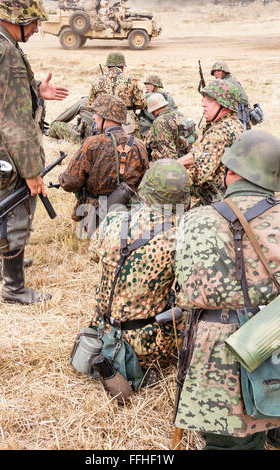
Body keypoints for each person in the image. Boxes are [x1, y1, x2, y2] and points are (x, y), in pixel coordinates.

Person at [174, 129, 280, 450]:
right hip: (274, 336)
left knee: (227, 443)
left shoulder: (194, 220)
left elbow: (185, 293)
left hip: (216, 347)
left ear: (231, 172)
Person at [0, 0, 68, 304]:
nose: (35, 29)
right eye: (32, 23)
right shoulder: (6, 54)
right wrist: (31, 173)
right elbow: (16, 123)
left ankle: (9, 263)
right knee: (15, 212)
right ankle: (14, 288)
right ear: (16, 19)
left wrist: (35, 89)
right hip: (6, 153)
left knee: (1, 207)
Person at [88, 159, 190, 379]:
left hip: (101, 331)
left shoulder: (114, 219)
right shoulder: (177, 237)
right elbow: (190, 293)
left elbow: (93, 254)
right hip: (146, 347)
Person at [58, 94, 148, 238]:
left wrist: (61, 178)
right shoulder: (138, 145)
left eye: (96, 114)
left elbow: (70, 182)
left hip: (97, 218)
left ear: (106, 117)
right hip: (132, 216)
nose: (93, 117)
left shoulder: (92, 144)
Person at [179, 79, 244, 206]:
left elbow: (200, 174)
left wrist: (169, 177)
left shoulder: (218, 132)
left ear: (224, 105)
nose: (203, 104)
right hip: (233, 194)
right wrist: (177, 163)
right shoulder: (236, 123)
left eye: (209, 100)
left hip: (218, 200)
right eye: (203, 99)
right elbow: (201, 152)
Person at [87, 52, 146, 137]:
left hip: (104, 121)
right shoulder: (131, 80)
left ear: (108, 66)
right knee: (134, 145)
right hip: (127, 120)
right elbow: (141, 103)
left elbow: (90, 105)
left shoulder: (97, 81)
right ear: (122, 67)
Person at [145, 93, 197, 161]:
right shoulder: (180, 115)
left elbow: (167, 152)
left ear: (153, 110)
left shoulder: (159, 122)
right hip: (186, 158)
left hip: (171, 165)